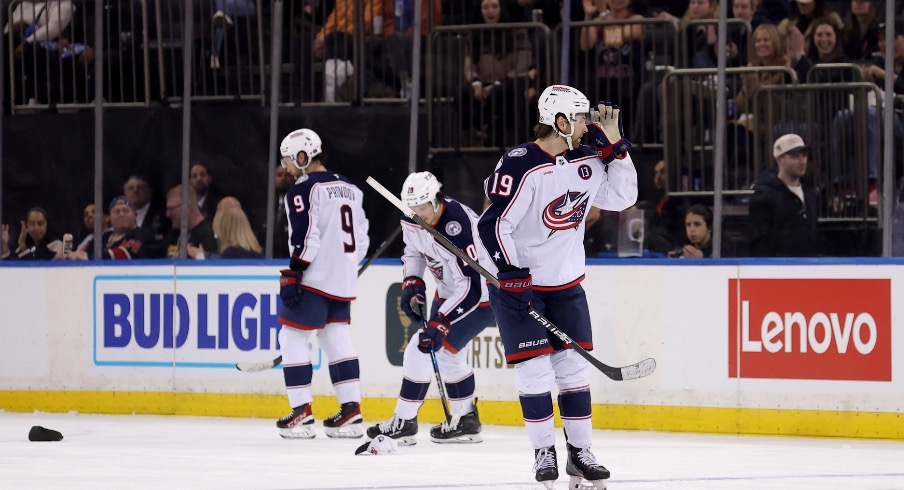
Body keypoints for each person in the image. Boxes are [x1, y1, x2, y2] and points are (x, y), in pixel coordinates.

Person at [477, 85, 637, 488]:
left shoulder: (586, 161)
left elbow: (624, 195)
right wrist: (509, 270)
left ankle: (580, 455)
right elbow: (493, 223)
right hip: (518, 285)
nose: (589, 125)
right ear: (560, 122)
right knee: (533, 372)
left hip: (566, 286)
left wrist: (617, 150)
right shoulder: (521, 163)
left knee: (573, 370)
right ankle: (543, 454)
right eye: (582, 118)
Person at [366, 171, 494, 445]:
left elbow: (471, 286)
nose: (417, 215)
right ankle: (466, 420)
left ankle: (405, 420)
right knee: (448, 356)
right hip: (448, 292)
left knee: (420, 348)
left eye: (422, 208)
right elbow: (412, 251)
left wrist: (442, 320)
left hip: (479, 298)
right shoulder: (411, 215)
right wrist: (412, 282)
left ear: (436, 200)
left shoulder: (458, 226)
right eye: (412, 209)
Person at [274, 128, 370, 440]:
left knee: (292, 338)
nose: (287, 166)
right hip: (343, 278)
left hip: (315, 277)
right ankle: (351, 411)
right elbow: (363, 241)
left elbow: (305, 237)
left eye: (289, 159)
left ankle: (301, 411)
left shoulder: (302, 190)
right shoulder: (352, 189)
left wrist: (294, 272)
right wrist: (343, 267)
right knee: (336, 337)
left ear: (303, 157)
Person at [748, 133, 819, 257]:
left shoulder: (809, 192)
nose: (802, 161)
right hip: (778, 268)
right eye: (795, 156)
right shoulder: (764, 196)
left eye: (804, 155)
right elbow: (759, 241)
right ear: (780, 159)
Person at [65, 196, 153, 260]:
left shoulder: (142, 234)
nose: (121, 214)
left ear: (135, 215)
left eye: (125, 210)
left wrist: (89, 257)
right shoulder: (102, 237)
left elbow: (126, 253)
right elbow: (82, 252)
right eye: (117, 211)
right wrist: (68, 256)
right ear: (110, 217)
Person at [163, 185, 218, 260]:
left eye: (171, 209)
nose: (167, 214)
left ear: (187, 208)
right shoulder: (174, 234)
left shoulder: (209, 234)